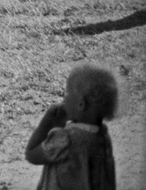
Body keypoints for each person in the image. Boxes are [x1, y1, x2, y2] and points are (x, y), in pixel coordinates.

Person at [25, 61, 118, 189]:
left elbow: (31, 154)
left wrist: (47, 122)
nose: (64, 100)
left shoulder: (65, 140)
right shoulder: (103, 136)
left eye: (67, 94)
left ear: (81, 104)